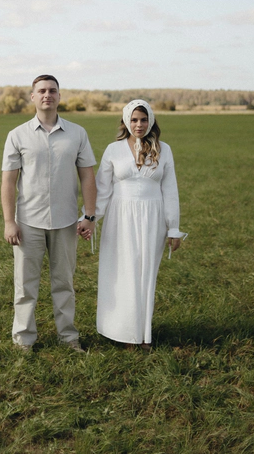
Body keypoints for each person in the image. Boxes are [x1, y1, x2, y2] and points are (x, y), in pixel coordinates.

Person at [1, 74, 97, 352]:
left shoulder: (77, 133)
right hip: (28, 222)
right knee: (25, 285)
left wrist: (89, 216)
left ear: (59, 96)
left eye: (52, 90)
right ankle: (24, 339)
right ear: (33, 96)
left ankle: (68, 337)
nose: (47, 95)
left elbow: (87, 176)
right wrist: (9, 222)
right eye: (41, 91)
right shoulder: (17, 135)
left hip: (66, 222)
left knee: (64, 284)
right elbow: (8, 181)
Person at [94, 99, 187, 349]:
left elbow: (170, 191)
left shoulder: (164, 150)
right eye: (134, 120)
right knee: (122, 274)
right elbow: (102, 190)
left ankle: (142, 334)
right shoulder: (113, 150)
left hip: (152, 219)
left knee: (145, 275)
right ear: (126, 121)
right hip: (119, 219)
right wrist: (89, 218)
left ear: (151, 121)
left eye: (144, 120)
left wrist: (173, 228)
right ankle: (123, 332)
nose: (139, 124)